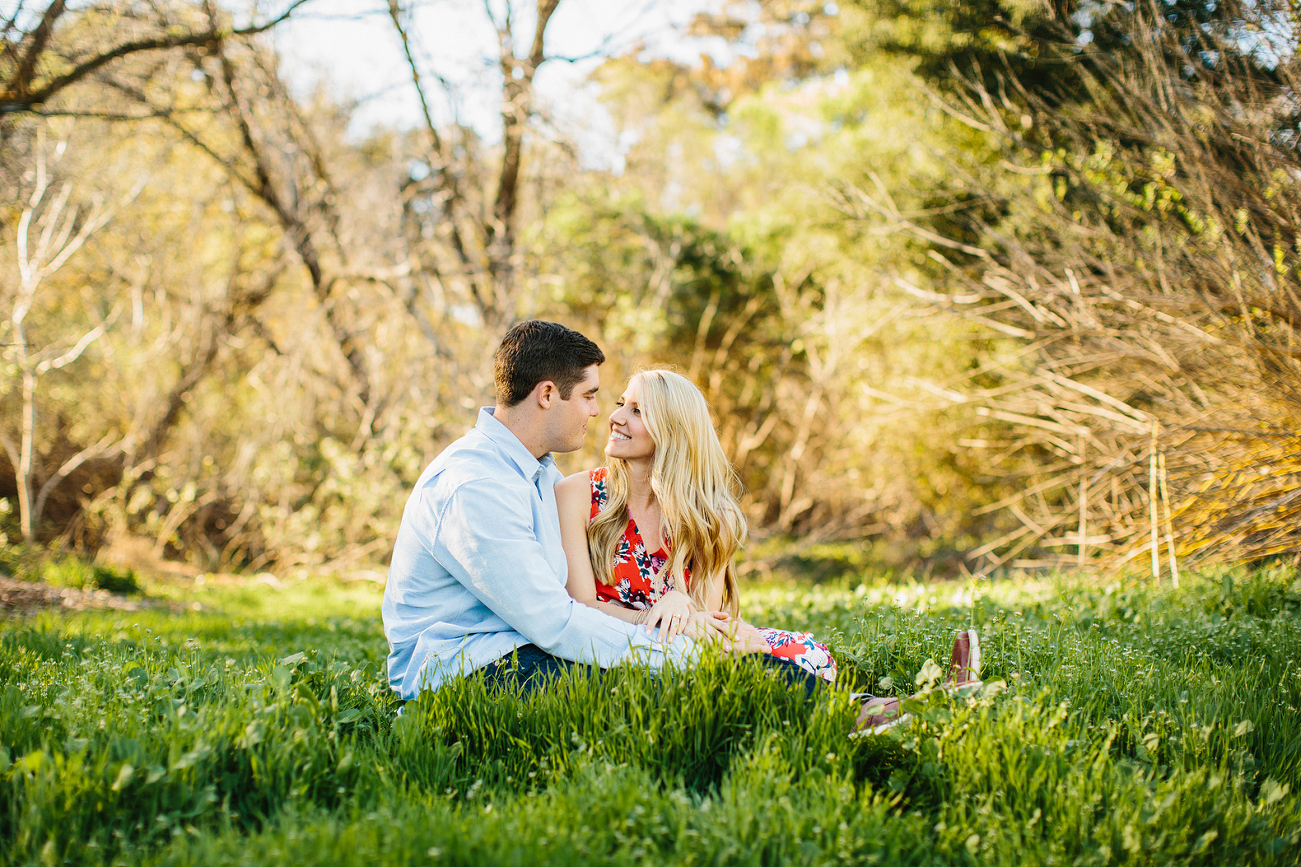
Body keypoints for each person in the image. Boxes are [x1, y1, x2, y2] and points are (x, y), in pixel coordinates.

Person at [555, 368, 982, 731]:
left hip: (691, 648)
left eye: (636, 410)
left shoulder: (707, 515)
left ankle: (882, 711)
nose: (614, 417)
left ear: (673, 429)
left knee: (806, 655)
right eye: (620, 403)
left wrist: (686, 605)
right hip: (617, 648)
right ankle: (889, 712)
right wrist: (659, 615)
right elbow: (580, 605)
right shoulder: (579, 494)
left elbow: (709, 622)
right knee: (731, 671)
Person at [383, 322, 708, 701]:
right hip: (461, 668)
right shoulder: (475, 484)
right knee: (650, 690)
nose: (598, 411)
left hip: (521, 648)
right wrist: (675, 653)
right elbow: (554, 620)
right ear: (548, 395)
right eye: (589, 396)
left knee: (668, 681)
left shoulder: (538, 473)